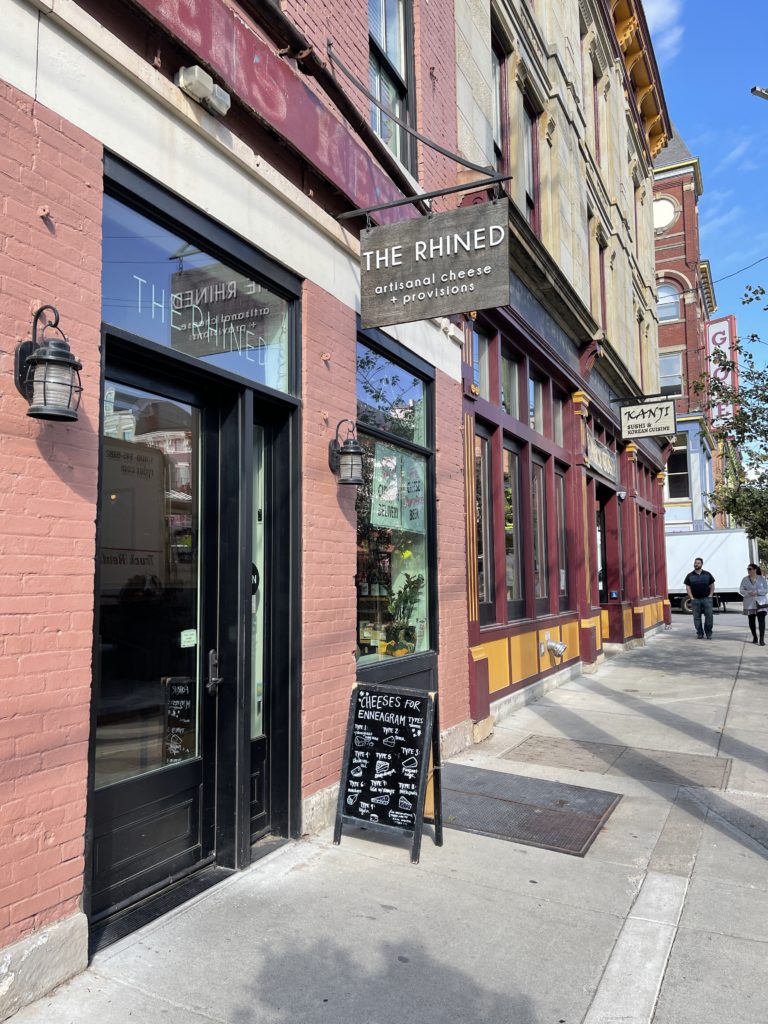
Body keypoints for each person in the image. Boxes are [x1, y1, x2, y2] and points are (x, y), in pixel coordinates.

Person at [684, 557, 716, 639]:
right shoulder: (689, 575)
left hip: (707, 599)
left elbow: (712, 585)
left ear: (702, 564)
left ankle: (708, 633)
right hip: (695, 599)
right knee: (696, 617)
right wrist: (691, 597)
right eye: (695, 563)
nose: (696, 564)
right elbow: (688, 587)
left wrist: (710, 595)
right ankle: (700, 633)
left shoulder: (707, 574)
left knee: (709, 617)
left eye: (698, 563)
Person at [739, 562, 768, 645]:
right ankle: (755, 637)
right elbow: (741, 590)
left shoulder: (761, 578)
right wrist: (749, 592)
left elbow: (766, 589)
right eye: (747, 569)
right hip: (749, 602)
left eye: (750, 569)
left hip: (761, 602)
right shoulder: (745, 579)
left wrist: (758, 592)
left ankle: (761, 639)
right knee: (751, 620)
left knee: (761, 620)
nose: (748, 570)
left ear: (755, 570)